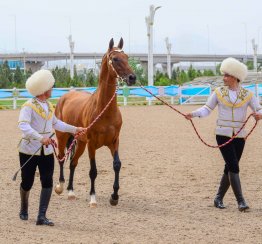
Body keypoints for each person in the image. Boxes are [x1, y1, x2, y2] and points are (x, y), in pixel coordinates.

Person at [185, 57, 262, 212]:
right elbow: (207, 109)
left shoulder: (248, 94)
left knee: (230, 166)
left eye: (227, 75)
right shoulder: (218, 92)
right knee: (234, 166)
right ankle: (241, 201)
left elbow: (258, 109)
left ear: (235, 77)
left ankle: (218, 198)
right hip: (222, 134)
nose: (224, 78)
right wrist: (193, 114)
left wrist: (259, 114)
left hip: (240, 135)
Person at [18, 69, 86, 226]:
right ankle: (24, 208)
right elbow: (23, 126)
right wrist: (41, 138)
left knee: (47, 181)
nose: (52, 89)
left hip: (47, 151)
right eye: (50, 87)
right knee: (27, 182)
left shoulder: (49, 106)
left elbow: (56, 123)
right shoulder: (28, 106)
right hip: (29, 150)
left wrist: (75, 129)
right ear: (43, 89)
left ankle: (41, 216)